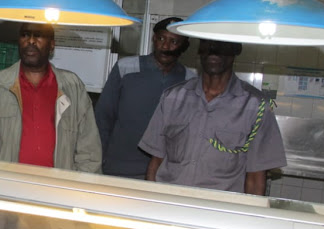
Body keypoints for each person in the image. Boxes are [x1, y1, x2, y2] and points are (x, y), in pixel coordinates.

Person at [139, 39, 286, 195]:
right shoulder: (173, 97)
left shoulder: (256, 106)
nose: (214, 49)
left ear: (236, 50)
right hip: (169, 202)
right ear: (199, 49)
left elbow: (256, 178)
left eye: (223, 44)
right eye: (208, 43)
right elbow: (156, 161)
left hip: (219, 211)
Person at [0, 22, 101, 172]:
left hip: (57, 189)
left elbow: (89, 152)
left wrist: (77, 191)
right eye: (25, 35)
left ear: (52, 45)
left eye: (39, 36)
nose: (31, 41)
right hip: (9, 186)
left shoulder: (72, 87)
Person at [95, 17, 193, 179]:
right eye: (161, 39)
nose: (166, 46)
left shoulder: (190, 80)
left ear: (183, 46)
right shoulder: (126, 68)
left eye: (174, 41)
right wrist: (98, 160)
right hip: (118, 169)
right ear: (154, 39)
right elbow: (103, 118)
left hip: (163, 174)